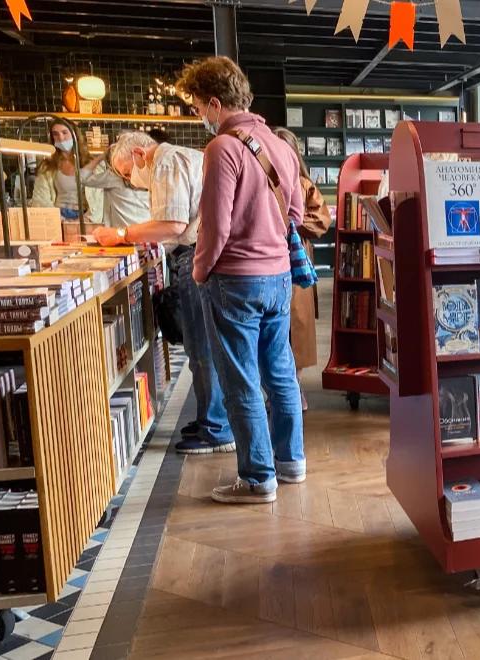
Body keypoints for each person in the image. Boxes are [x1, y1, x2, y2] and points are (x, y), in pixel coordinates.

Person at [179, 56, 306, 505]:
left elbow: (216, 226)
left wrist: (199, 271)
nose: (200, 118)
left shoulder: (224, 148)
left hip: (235, 278)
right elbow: (296, 214)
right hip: (278, 277)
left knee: (241, 379)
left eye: (197, 108)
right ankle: (291, 463)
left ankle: (257, 479)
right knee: (280, 371)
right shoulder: (279, 144)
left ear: (215, 102)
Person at [93, 131, 233, 456]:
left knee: (201, 346)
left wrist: (121, 234)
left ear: (141, 154)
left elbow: (171, 224)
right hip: (206, 253)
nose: (131, 181)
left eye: (128, 172)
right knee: (204, 344)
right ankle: (212, 420)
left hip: (199, 256)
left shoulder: (166, 162)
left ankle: (217, 428)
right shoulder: (181, 157)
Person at [272, 127, 333, 411]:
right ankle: (276, 389)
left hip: (295, 259)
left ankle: (294, 388)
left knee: (297, 325)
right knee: (273, 328)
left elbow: (321, 220)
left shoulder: (304, 184)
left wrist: (289, 224)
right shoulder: (262, 179)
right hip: (267, 259)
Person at [29, 119, 103, 222]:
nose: (61, 138)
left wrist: (84, 220)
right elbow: (40, 199)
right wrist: (59, 220)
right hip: (58, 216)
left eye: (64, 132)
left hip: (85, 216)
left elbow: (100, 200)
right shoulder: (47, 166)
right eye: (55, 134)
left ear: (74, 135)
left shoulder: (91, 165)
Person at [81, 140, 151, 227]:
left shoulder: (113, 178)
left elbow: (83, 178)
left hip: (123, 234)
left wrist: (100, 157)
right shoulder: (149, 175)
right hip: (146, 230)